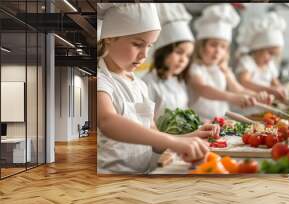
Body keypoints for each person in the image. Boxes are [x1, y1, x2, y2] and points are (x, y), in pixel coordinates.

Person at [97, 3, 218, 174]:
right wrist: (175, 143)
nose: (145, 55)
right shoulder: (101, 80)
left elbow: (153, 136)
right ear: (109, 37)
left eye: (149, 46)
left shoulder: (139, 85)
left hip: (142, 177)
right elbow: (107, 121)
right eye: (138, 44)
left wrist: (192, 136)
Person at [188, 4, 273, 121]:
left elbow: (238, 89)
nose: (218, 51)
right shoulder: (195, 68)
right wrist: (232, 97)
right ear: (201, 46)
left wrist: (256, 96)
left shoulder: (223, 69)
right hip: (199, 122)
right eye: (213, 45)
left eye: (223, 47)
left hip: (221, 121)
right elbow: (203, 89)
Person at [142, 4, 194, 120]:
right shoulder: (148, 83)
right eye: (179, 52)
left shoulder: (178, 81)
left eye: (188, 56)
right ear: (163, 51)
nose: (183, 60)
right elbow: (146, 122)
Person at [236, 13, 287, 103]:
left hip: (263, 108)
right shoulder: (247, 62)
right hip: (246, 106)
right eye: (270, 53)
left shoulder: (269, 65)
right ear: (257, 48)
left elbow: (276, 83)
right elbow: (245, 82)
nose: (271, 58)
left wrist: (281, 90)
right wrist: (270, 90)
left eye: (274, 55)